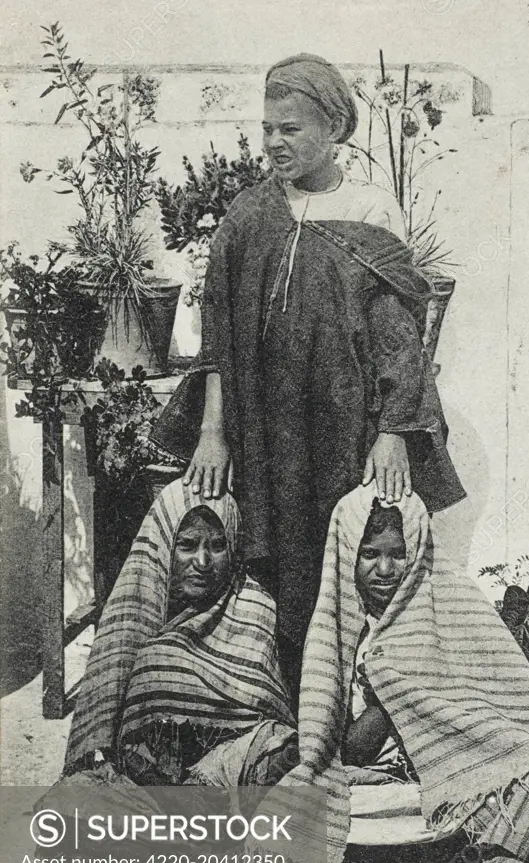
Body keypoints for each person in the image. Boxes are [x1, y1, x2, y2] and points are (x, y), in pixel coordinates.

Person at [150, 53, 465, 701]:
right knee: (269, 566)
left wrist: (395, 430)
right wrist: (213, 434)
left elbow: (397, 336)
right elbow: (219, 336)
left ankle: (349, 707)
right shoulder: (248, 214)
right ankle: (273, 701)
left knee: (346, 562)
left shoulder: (370, 211)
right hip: (263, 429)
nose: (272, 142)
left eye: (290, 129)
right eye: (267, 128)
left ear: (335, 128)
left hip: (342, 426)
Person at [262, 485, 529, 863]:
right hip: (389, 781)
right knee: (345, 801)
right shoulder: (345, 634)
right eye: (370, 554)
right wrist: (391, 695)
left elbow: (498, 700)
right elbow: (346, 750)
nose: (385, 569)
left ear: (420, 551)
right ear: (348, 553)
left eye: (398, 554)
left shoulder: (451, 605)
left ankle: (504, 854)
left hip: (459, 764)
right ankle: (502, 838)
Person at [61, 477, 297, 791]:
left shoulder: (256, 608)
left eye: (217, 545)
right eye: (186, 545)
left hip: (237, 778)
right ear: (164, 547)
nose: (202, 562)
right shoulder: (138, 618)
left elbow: (273, 729)